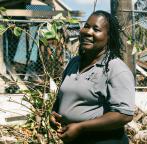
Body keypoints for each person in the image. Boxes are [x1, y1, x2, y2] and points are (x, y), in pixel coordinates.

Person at [50, 10, 135, 144]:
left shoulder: (115, 69)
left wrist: (81, 127)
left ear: (108, 38)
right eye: (86, 26)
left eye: (96, 29)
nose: (88, 32)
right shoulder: (74, 63)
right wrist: (54, 112)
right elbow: (65, 96)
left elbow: (124, 115)